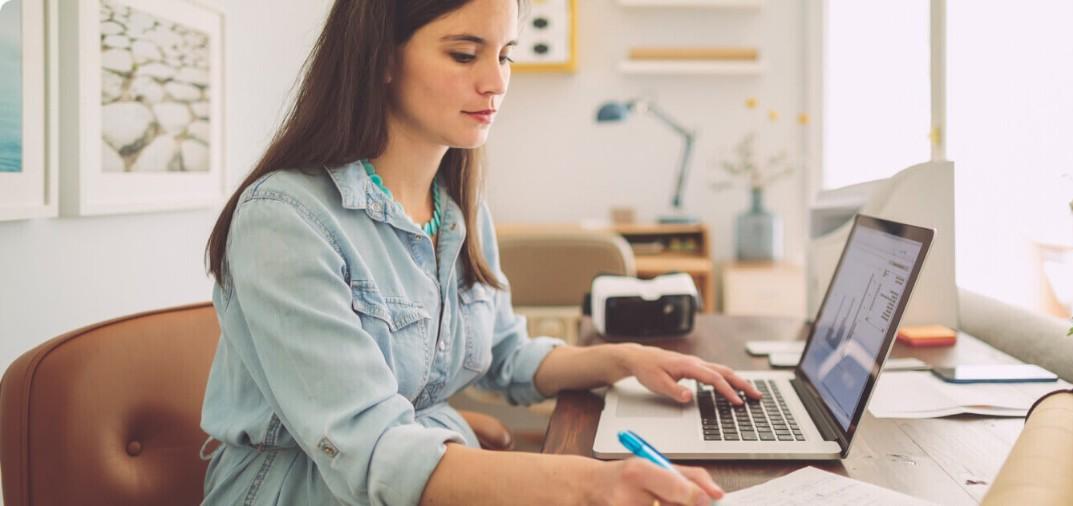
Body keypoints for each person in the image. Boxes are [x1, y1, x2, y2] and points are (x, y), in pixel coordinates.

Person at [199, 0, 763, 504]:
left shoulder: (457, 206)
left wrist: (627, 360)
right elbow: (370, 449)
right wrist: (594, 485)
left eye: (506, 55)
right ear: (382, 60)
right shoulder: (285, 221)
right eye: (465, 55)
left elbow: (503, 352)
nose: (496, 82)